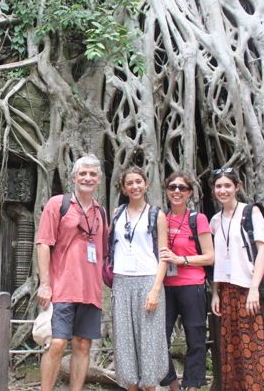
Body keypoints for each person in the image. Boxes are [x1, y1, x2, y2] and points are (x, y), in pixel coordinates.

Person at [36, 154, 109, 391]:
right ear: (74, 177)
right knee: (57, 343)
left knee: (83, 345)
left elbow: (104, 253)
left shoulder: (101, 213)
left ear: (99, 179)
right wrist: (45, 284)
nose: (87, 178)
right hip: (62, 288)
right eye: (83, 173)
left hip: (90, 291)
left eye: (92, 174)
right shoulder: (58, 204)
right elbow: (43, 243)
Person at [209, 168, 264, 390]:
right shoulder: (215, 220)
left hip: (249, 290)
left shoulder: (251, 213)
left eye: (227, 186)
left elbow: (263, 250)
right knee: (233, 349)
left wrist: (253, 289)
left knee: (257, 348)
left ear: (237, 187)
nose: (223, 190)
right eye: (218, 186)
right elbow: (219, 260)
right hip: (227, 293)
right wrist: (215, 293)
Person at [110, 166, 169, 391]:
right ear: (124, 188)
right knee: (124, 341)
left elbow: (164, 255)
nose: (135, 186)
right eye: (130, 183)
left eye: (138, 182)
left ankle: (150, 387)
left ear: (146, 184)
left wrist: (155, 289)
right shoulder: (117, 214)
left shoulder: (157, 214)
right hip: (122, 281)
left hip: (148, 281)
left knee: (150, 340)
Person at [159, 172, 215, 391]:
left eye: (182, 188)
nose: (176, 191)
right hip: (166, 287)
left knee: (196, 338)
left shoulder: (197, 219)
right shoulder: (161, 218)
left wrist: (180, 260)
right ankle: (173, 385)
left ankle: (192, 387)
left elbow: (210, 256)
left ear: (190, 193)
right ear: (166, 191)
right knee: (158, 338)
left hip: (193, 285)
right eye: (172, 187)